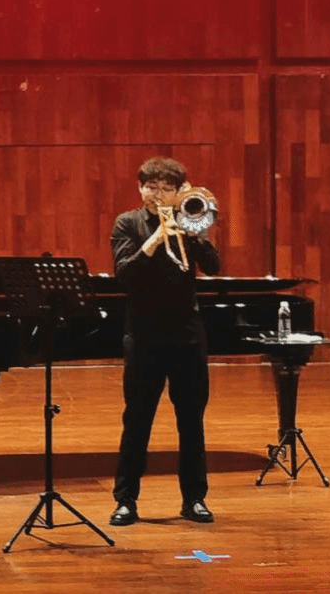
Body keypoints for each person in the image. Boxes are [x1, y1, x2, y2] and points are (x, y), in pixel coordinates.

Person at [108, 157, 221, 526]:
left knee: (191, 420)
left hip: (186, 334)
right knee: (137, 420)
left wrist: (192, 231)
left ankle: (194, 499)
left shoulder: (189, 222)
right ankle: (126, 501)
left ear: (178, 192)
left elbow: (213, 265)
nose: (157, 194)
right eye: (151, 187)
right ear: (140, 188)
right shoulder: (128, 223)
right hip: (144, 335)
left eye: (166, 188)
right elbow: (125, 275)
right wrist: (156, 238)